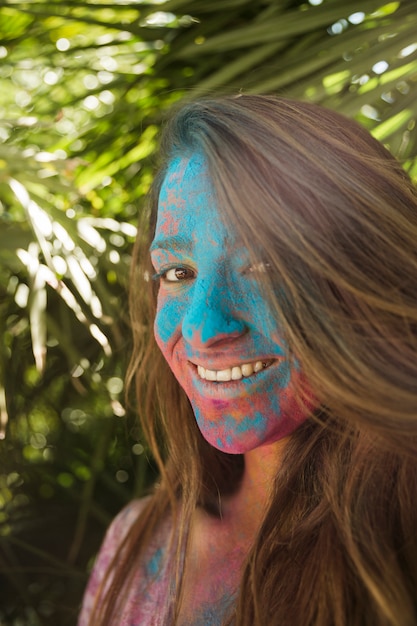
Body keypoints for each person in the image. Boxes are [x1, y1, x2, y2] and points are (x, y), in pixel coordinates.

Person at [78, 95, 417, 626]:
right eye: (179, 272)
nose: (204, 330)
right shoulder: (136, 541)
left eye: (264, 265)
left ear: (371, 279)